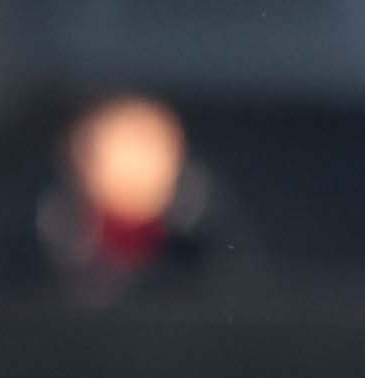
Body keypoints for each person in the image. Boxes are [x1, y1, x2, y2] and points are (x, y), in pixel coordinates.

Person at [33, 92, 251, 303]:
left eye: (145, 142)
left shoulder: (198, 223)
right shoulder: (64, 233)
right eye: (122, 150)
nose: (134, 168)